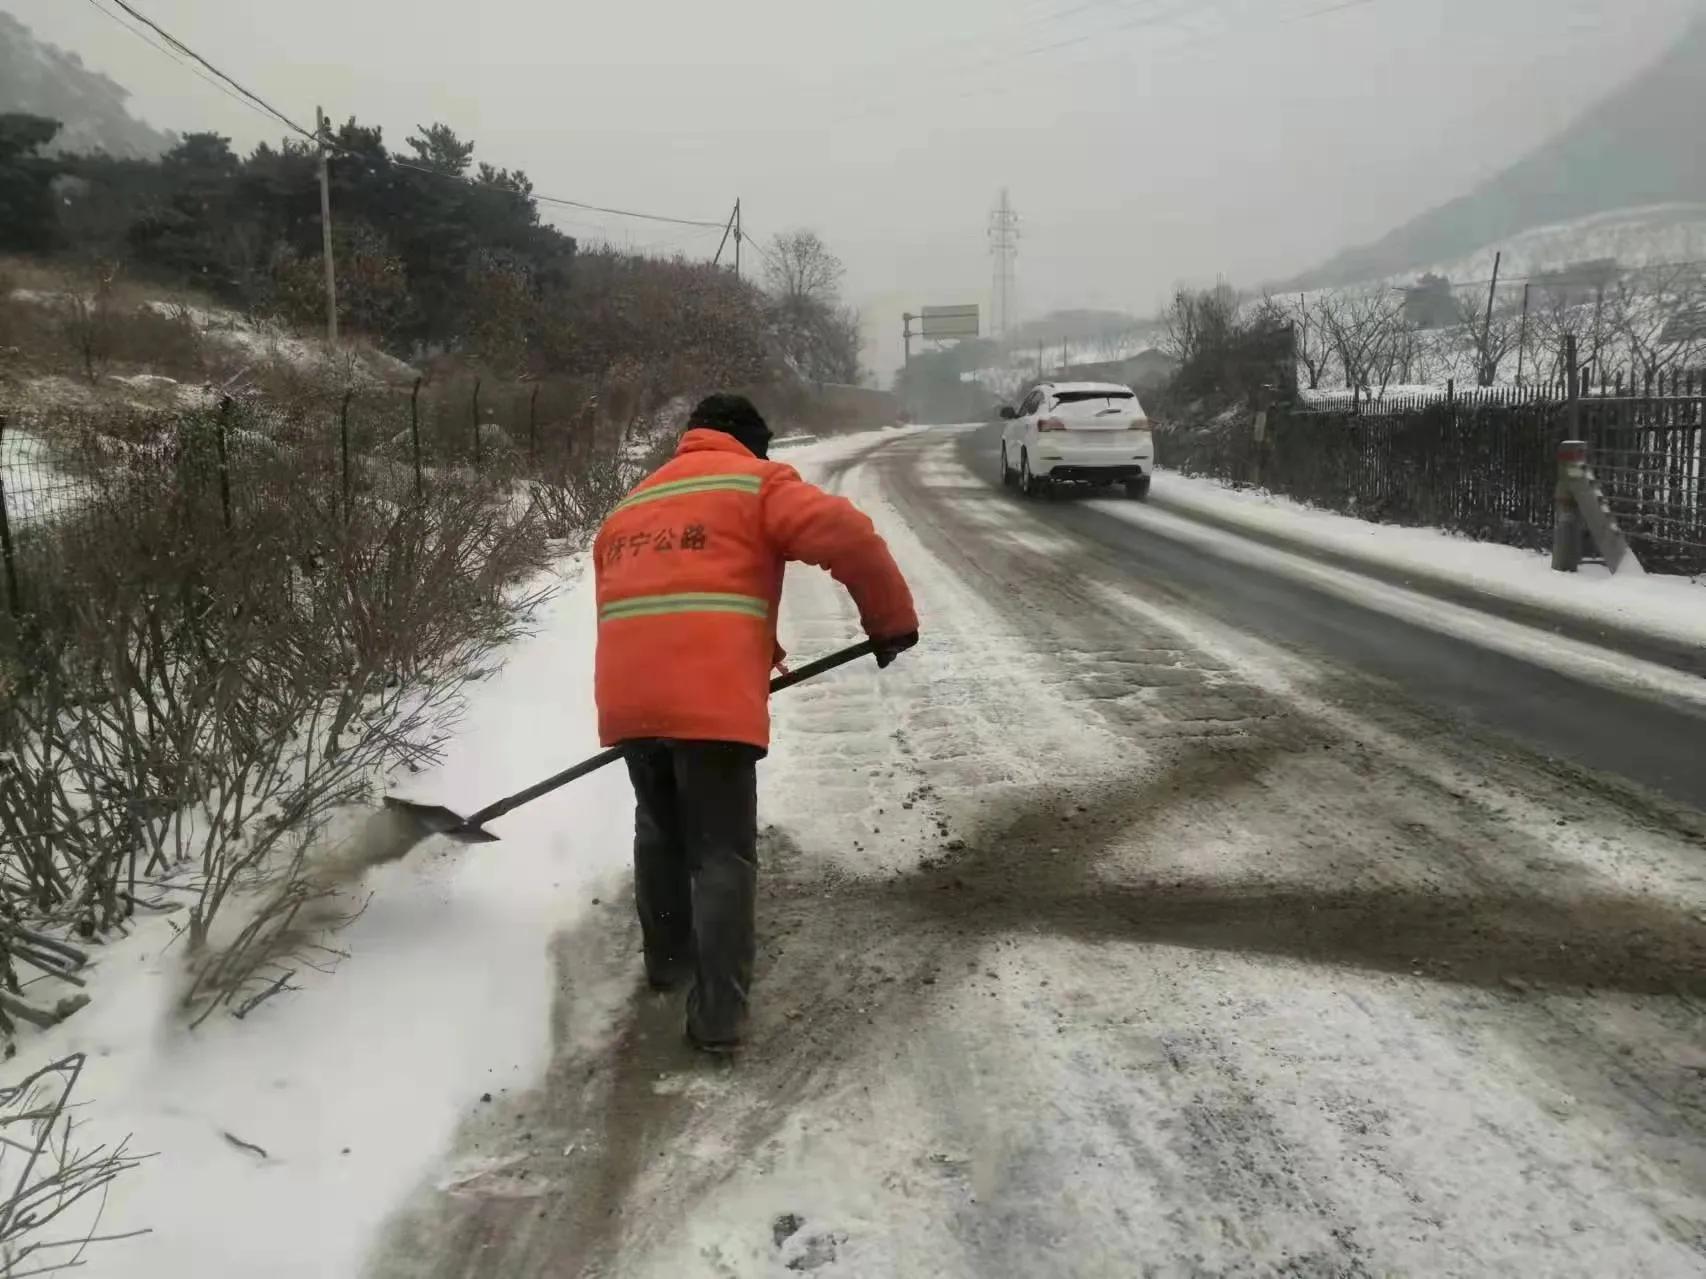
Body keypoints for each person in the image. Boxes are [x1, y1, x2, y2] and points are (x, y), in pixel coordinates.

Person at [593, 394, 918, 1053]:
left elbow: (675, 593)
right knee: (720, 851)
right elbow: (849, 537)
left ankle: (668, 962)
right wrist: (891, 622)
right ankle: (716, 1020)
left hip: (627, 695)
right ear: (751, 441)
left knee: (660, 832)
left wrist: (754, 655)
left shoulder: (634, 502)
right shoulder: (758, 483)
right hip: (708, 704)